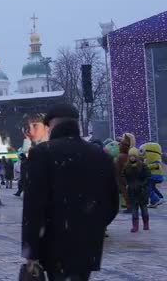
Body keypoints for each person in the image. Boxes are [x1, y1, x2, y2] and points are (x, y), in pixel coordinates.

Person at [22, 104, 118, 281]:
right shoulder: (100, 156)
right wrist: (91, 225)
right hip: (88, 246)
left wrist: (31, 251)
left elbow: (34, 207)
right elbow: (112, 203)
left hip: (53, 245)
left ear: (52, 125)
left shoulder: (42, 153)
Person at [122, 148, 151, 232]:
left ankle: (146, 224)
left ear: (136, 156)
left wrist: (143, 185)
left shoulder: (143, 166)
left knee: (144, 209)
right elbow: (123, 175)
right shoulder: (126, 166)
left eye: (134, 156)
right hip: (132, 191)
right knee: (134, 210)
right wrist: (127, 184)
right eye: (130, 156)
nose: (132, 158)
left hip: (142, 191)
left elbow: (148, 176)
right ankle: (135, 226)